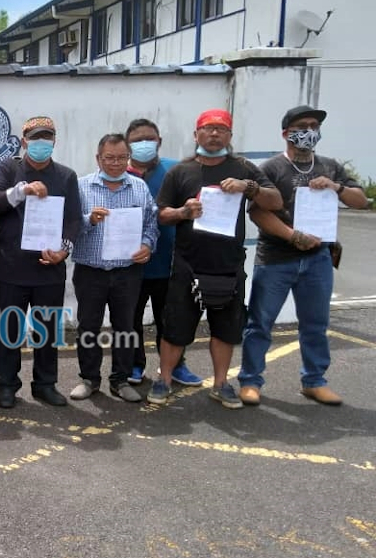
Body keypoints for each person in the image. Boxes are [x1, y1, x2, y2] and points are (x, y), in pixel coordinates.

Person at [146, 108, 282, 408]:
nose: (214, 134)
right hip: (187, 264)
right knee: (175, 329)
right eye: (208, 128)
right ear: (196, 134)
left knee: (225, 329)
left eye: (221, 129)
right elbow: (162, 214)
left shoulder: (244, 168)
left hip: (229, 265)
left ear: (230, 136)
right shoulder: (181, 171)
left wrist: (249, 186)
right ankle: (164, 379)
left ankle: (221, 384)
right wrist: (183, 212)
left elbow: (275, 200)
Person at [238, 105, 368, 406]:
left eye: (314, 126)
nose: (309, 131)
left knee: (315, 322)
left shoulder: (330, 167)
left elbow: (360, 200)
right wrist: (292, 236)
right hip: (276, 259)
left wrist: (336, 187)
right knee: (260, 323)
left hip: (319, 259)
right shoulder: (271, 168)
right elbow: (257, 213)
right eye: (302, 126)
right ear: (286, 133)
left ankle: (314, 380)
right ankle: (250, 380)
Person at [0, 116, 82, 409]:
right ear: (23, 141)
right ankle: (7, 386)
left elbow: (74, 219)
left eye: (47, 138)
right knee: (9, 331)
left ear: (54, 141)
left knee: (47, 332)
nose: (41, 143)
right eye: (35, 138)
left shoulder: (66, 176)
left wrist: (64, 250)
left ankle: (45, 384)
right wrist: (22, 190)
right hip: (12, 265)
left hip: (50, 267)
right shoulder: (8, 168)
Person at [70, 133, 159, 403]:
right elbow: (70, 226)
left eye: (121, 157)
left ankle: (120, 380)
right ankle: (89, 378)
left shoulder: (138, 187)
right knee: (88, 327)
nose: (115, 163)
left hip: (127, 271)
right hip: (90, 271)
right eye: (109, 157)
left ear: (128, 158)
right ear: (98, 158)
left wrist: (147, 245)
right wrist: (89, 220)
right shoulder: (81, 186)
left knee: (125, 327)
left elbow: (151, 224)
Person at [124, 118, 203, 388]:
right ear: (127, 144)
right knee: (130, 318)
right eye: (136, 140)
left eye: (149, 138)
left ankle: (176, 366)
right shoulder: (116, 171)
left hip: (170, 261)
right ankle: (134, 364)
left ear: (159, 141)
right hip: (129, 262)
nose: (143, 143)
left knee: (170, 318)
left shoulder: (177, 170)